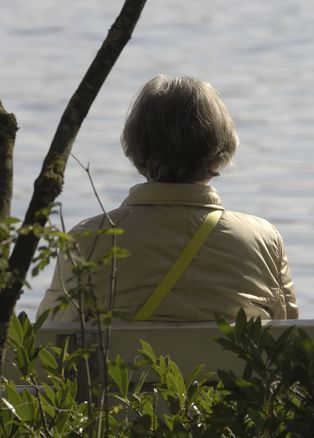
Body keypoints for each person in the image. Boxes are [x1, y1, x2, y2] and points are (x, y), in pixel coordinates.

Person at [38, 75, 298, 322]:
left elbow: (49, 338)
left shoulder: (89, 240)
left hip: (123, 370)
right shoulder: (263, 240)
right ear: (220, 151)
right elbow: (288, 336)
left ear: (135, 146)